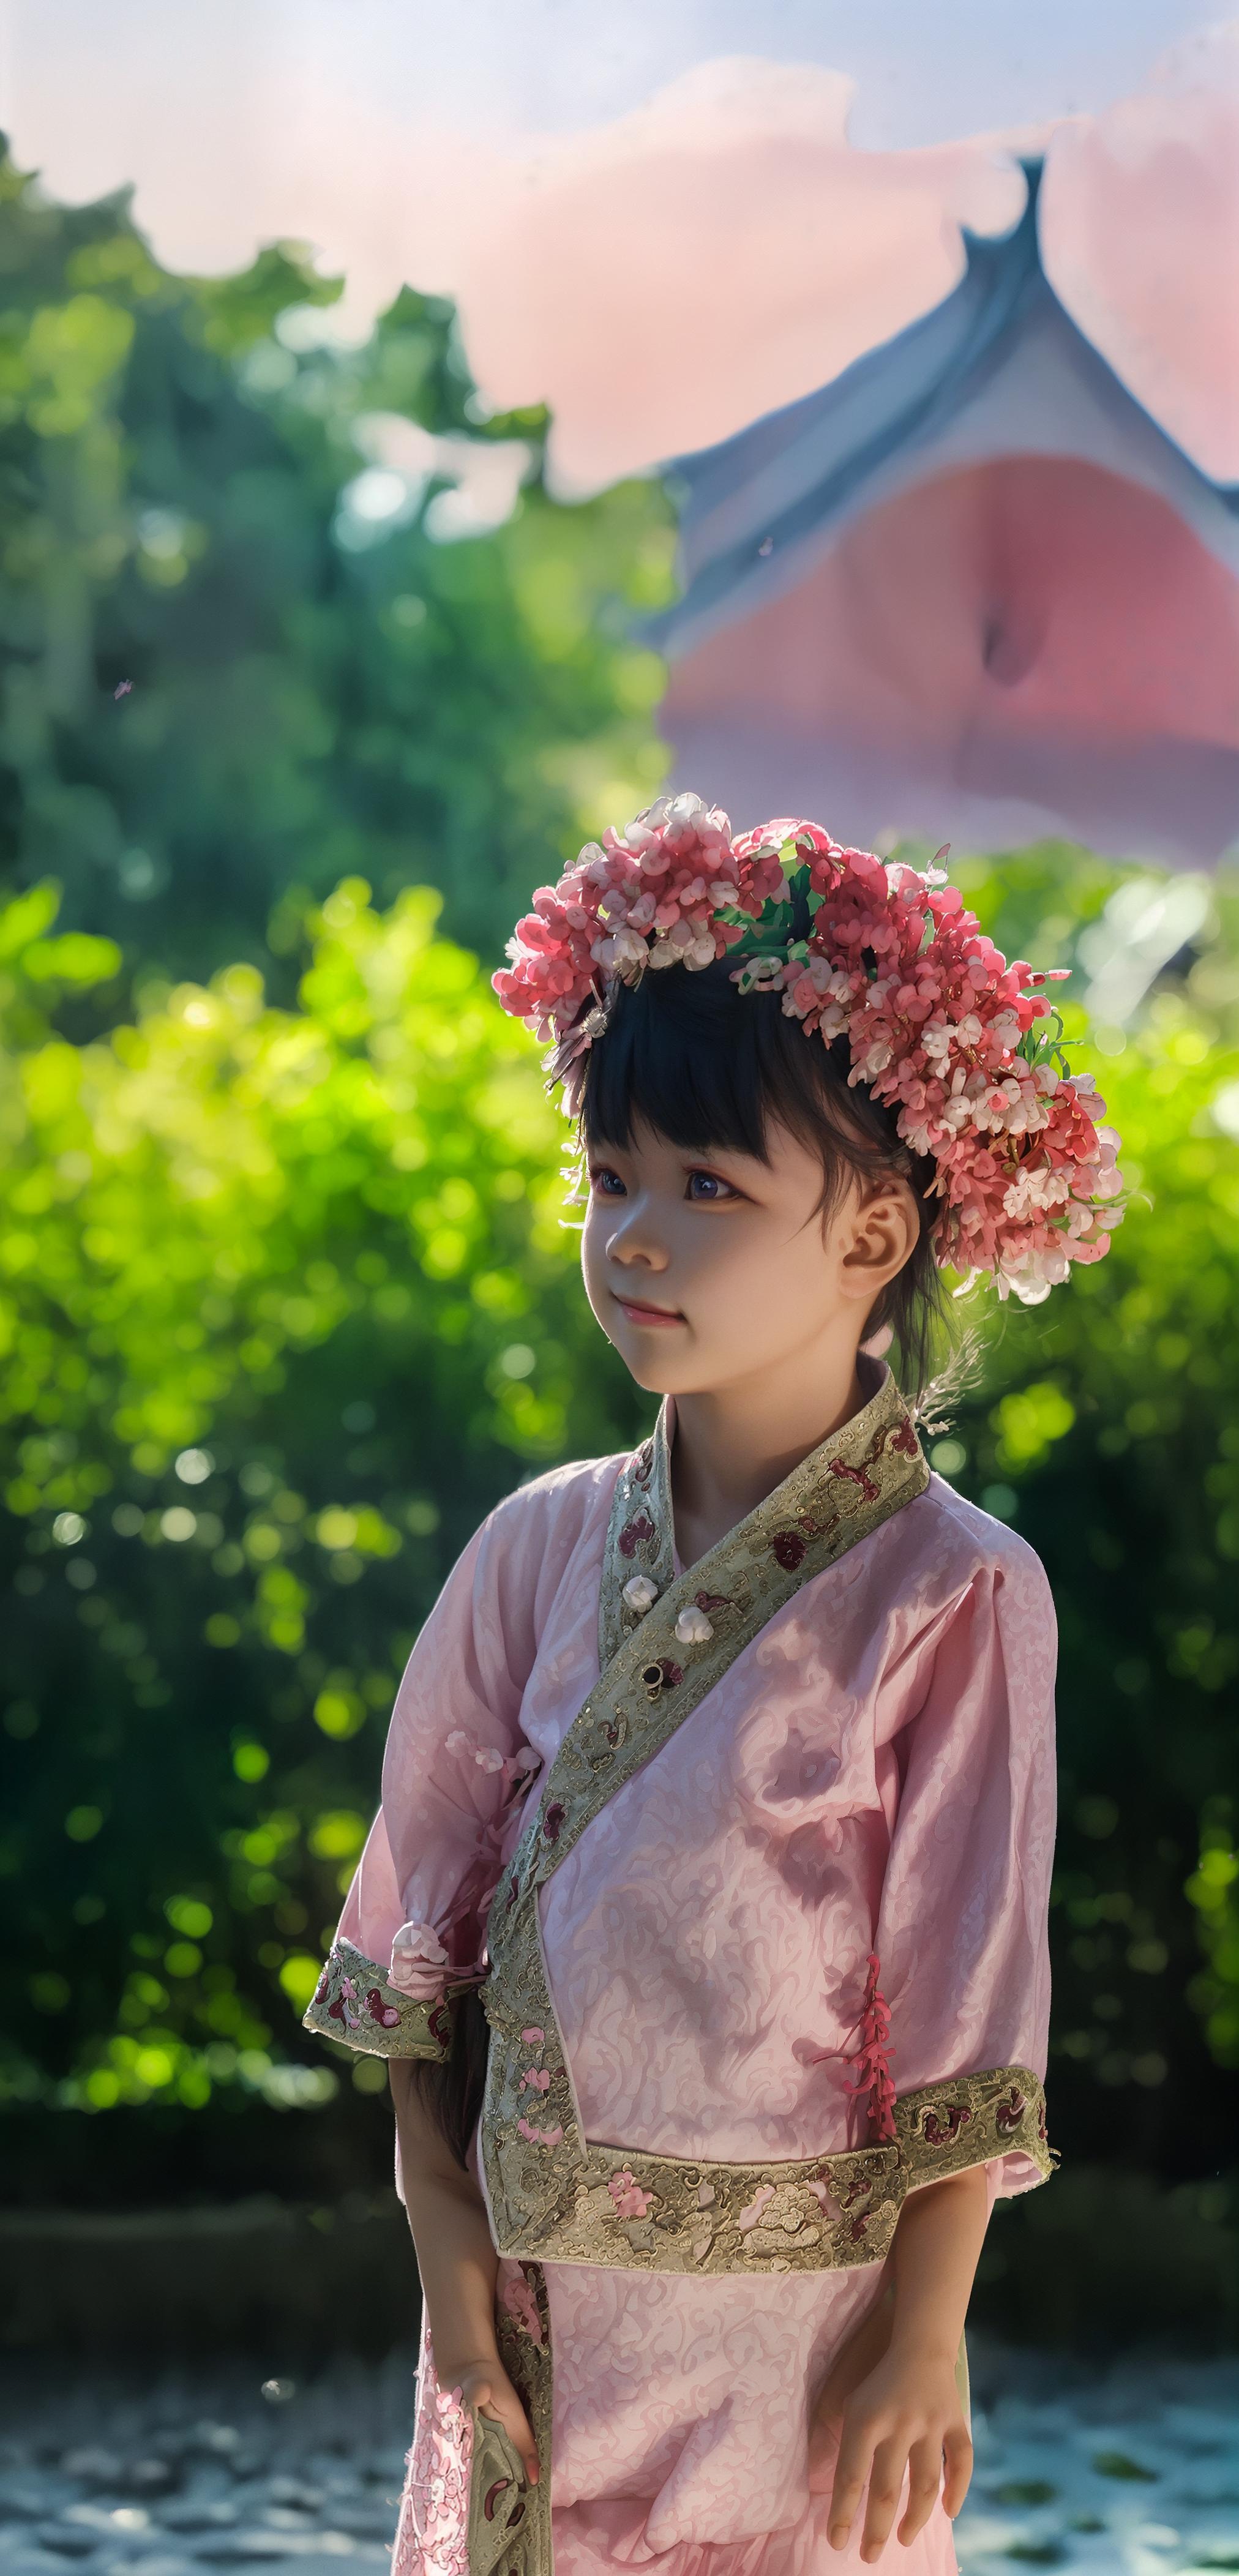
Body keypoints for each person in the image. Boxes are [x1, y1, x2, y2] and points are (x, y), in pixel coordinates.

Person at [304, 798, 1123, 2576]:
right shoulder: (533, 1550)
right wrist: (449, 2268)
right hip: (530, 2336)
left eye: (708, 1188)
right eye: (610, 1180)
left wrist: (926, 2329)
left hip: (802, 2358)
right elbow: (420, 1940)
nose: (635, 1239)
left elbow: (968, 1988)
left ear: (879, 1234)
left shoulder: (957, 1589)